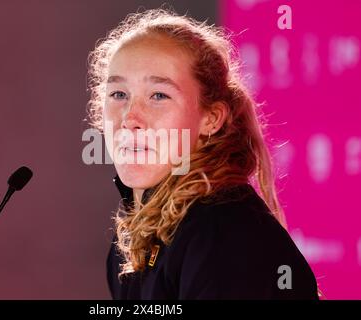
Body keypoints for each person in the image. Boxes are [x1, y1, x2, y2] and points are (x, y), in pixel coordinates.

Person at [86, 8, 319, 299]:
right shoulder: (135, 237)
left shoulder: (224, 233)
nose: (130, 118)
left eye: (159, 95)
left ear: (211, 118)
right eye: (118, 94)